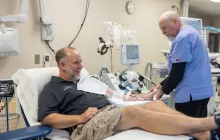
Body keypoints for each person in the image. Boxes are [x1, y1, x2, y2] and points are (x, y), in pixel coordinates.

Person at [38, 47, 220, 140]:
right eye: (76, 63)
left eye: (81, 61)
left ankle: (204, 135)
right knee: (134, 113)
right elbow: (47, 118)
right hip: (88, 124)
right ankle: (210, 123)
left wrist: (144, 97)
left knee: (156, 104)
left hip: (111, 109)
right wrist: (79, 118)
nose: (81, 66)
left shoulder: (87, 82)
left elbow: (116, 95)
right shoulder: (52, 88)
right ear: (62, 65)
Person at [151, 11, 214, 118]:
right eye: (161, 29)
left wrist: (160, 93)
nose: (163, 32)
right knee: (200, 129)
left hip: (191, 96)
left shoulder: (182, 38)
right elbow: (182, 69)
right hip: (201, 93)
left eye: (164, 28)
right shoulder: (192, 32)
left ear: (175, 21)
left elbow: (177, 73)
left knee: (189, 131)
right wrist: (160, 85)